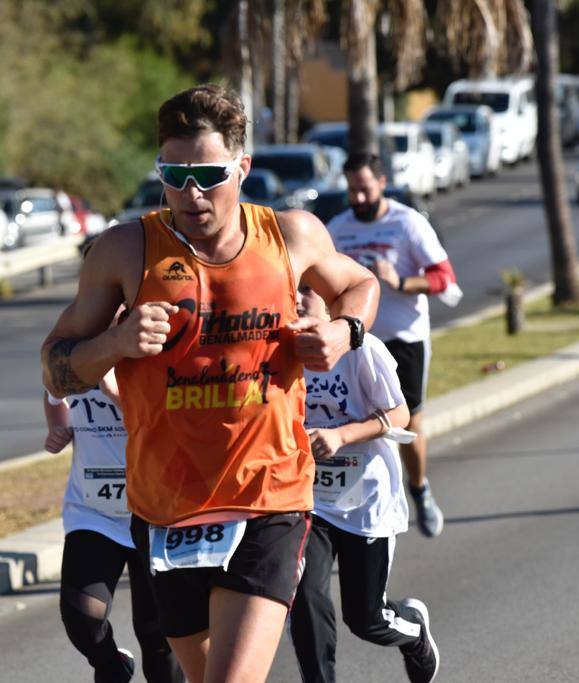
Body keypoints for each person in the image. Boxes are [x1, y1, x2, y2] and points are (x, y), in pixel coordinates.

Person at [41, 84, 417, 683]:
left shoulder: (289, 236)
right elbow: (55, 364)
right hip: (167, 508)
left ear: (242, 167)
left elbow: (360, 286)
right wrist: (114, 343)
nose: (191, 193)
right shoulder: (123, 251)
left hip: (270, 497)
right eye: (175, 172)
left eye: (209, 174)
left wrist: (345, 332)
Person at [289, 286, 439, 683]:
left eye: (307, 290)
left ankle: (414, 634)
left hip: (365, 499)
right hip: (310, 500)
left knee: (366, 619)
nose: (297, 298)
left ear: (328, 301)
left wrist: (342, 435)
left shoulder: (362, 349)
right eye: (291, 289)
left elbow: (401, 413)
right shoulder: (280, 353)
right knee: (305, 598)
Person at [326, 153, 458, 538]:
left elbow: (443, 279)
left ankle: (419, 489)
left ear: (382, 183)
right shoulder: (338, 228)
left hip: (404, 338)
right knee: (354, 423)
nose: (359, 198)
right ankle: (352, 513)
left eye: (365, 189)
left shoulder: (408, 223)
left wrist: (398, 281)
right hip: (358, 340)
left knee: (408, 421)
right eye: (352, 190)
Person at [44, 367, 184, 683]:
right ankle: (111, 665)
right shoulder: (80, 354)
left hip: (158, 511)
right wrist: (58, 425)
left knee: (159, 636)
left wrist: (115, 392)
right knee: (82, 618)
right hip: (94, 511)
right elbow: (53, 393)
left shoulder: (160, 354)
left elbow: (168, 424)